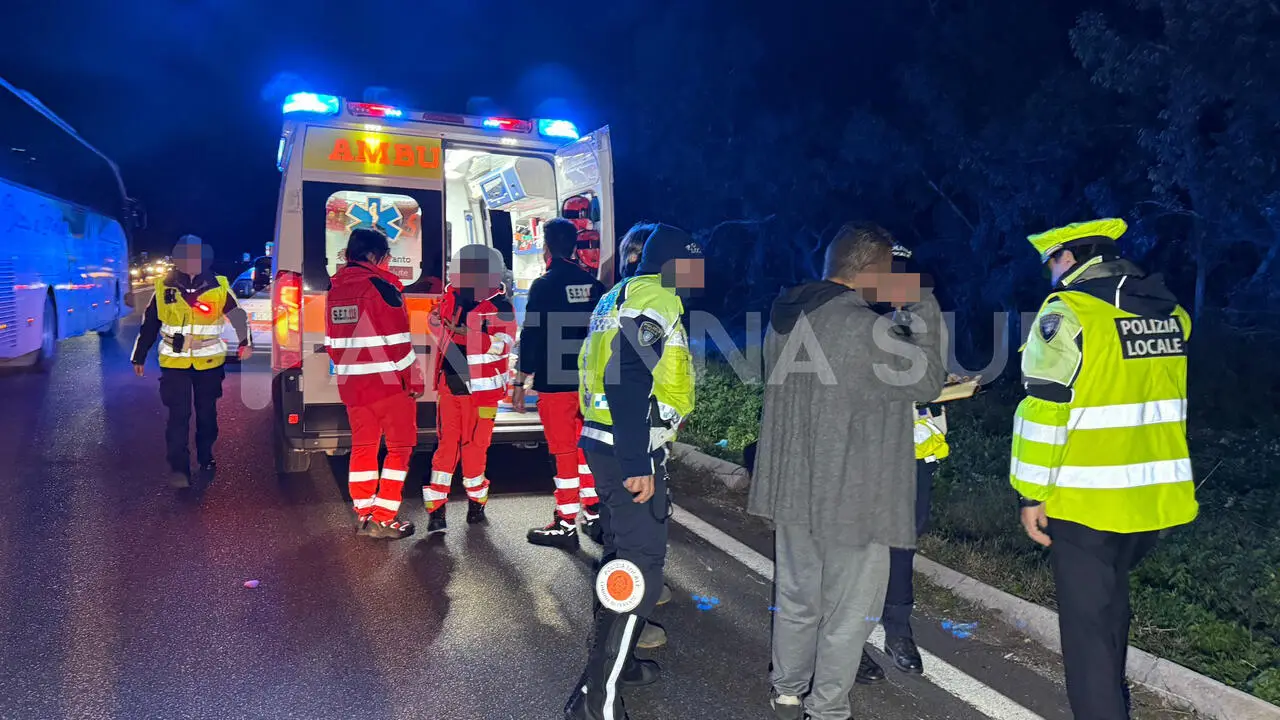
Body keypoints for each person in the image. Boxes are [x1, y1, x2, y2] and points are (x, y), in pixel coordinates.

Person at [748, 222, 945, 720]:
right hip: (852, 492)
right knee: (848, 610)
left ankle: (788, 690)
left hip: (795, 486)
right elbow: (928, 379)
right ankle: (828, 707)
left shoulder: (785, 321)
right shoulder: (866, 329)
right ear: (871, 270)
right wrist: (917, 297)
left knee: (796, 596)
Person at [1012, 218, 1197, 720]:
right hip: (1150, 499)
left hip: (1085, 500)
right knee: (1112, 612)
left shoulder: (1068, 311)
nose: (1051, 271)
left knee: (1088, 634)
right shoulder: (1169, 313)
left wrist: (1031, 494)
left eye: (1053, 260)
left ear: (1069, 257)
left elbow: (1043, 409)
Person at [564, 223, 702, 720]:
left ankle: (613, 670)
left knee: (622, 556)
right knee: (640, 569)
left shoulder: (619, 294)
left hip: (606, 440)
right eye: (691, 264)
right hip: (626, 448)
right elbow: (626, 377)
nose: (696, 274)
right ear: (672, 265)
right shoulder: (657, 298)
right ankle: (595, 702)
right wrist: (638, 463)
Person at [858, 243, 951, 682]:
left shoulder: (920, 317)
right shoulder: (861, 321)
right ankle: (849, 641)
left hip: (916, 452)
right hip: (872, 452)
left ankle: (897, 630)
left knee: (902, 544)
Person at [324, 228, 422, 540]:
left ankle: (364, 512)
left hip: (353, 386)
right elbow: (398, 342)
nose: (390, 261)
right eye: (387, 255)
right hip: (389, 386)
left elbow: (331, 343)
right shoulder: (383, 286)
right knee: (400, 448)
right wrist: (413, 378)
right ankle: (384, 517)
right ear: (373, 255)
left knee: (364, 448)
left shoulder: (335, 288)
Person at [132, 234, 249, 492]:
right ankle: (179, 469)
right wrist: (139, 354)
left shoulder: (218, 285)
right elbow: (150, 323)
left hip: (209, 365)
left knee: (207, 415)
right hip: (175, 365)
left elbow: (238, 316)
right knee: (178, 417)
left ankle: (205, 454)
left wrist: (245, 342)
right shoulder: (164, 287)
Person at [516, 218, 607, 550]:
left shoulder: (544, 285)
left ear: (547, 247)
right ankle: (595, 514)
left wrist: (520, 378)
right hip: (588, 383)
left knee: (564, 451)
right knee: (586, 450)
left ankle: (566, 523)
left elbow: (533, 334)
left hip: (555, 382)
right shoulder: (594, 286)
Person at [423, 244, 516, 533]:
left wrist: (467, 335)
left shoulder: (495, 306)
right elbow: (434, 322)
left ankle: (462, 507)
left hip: (472, 391)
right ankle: (446, 510)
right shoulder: (457, 300)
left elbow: (502, 345)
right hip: (459, 388)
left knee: (465, 449)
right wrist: (457, 332)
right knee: (456, 449)